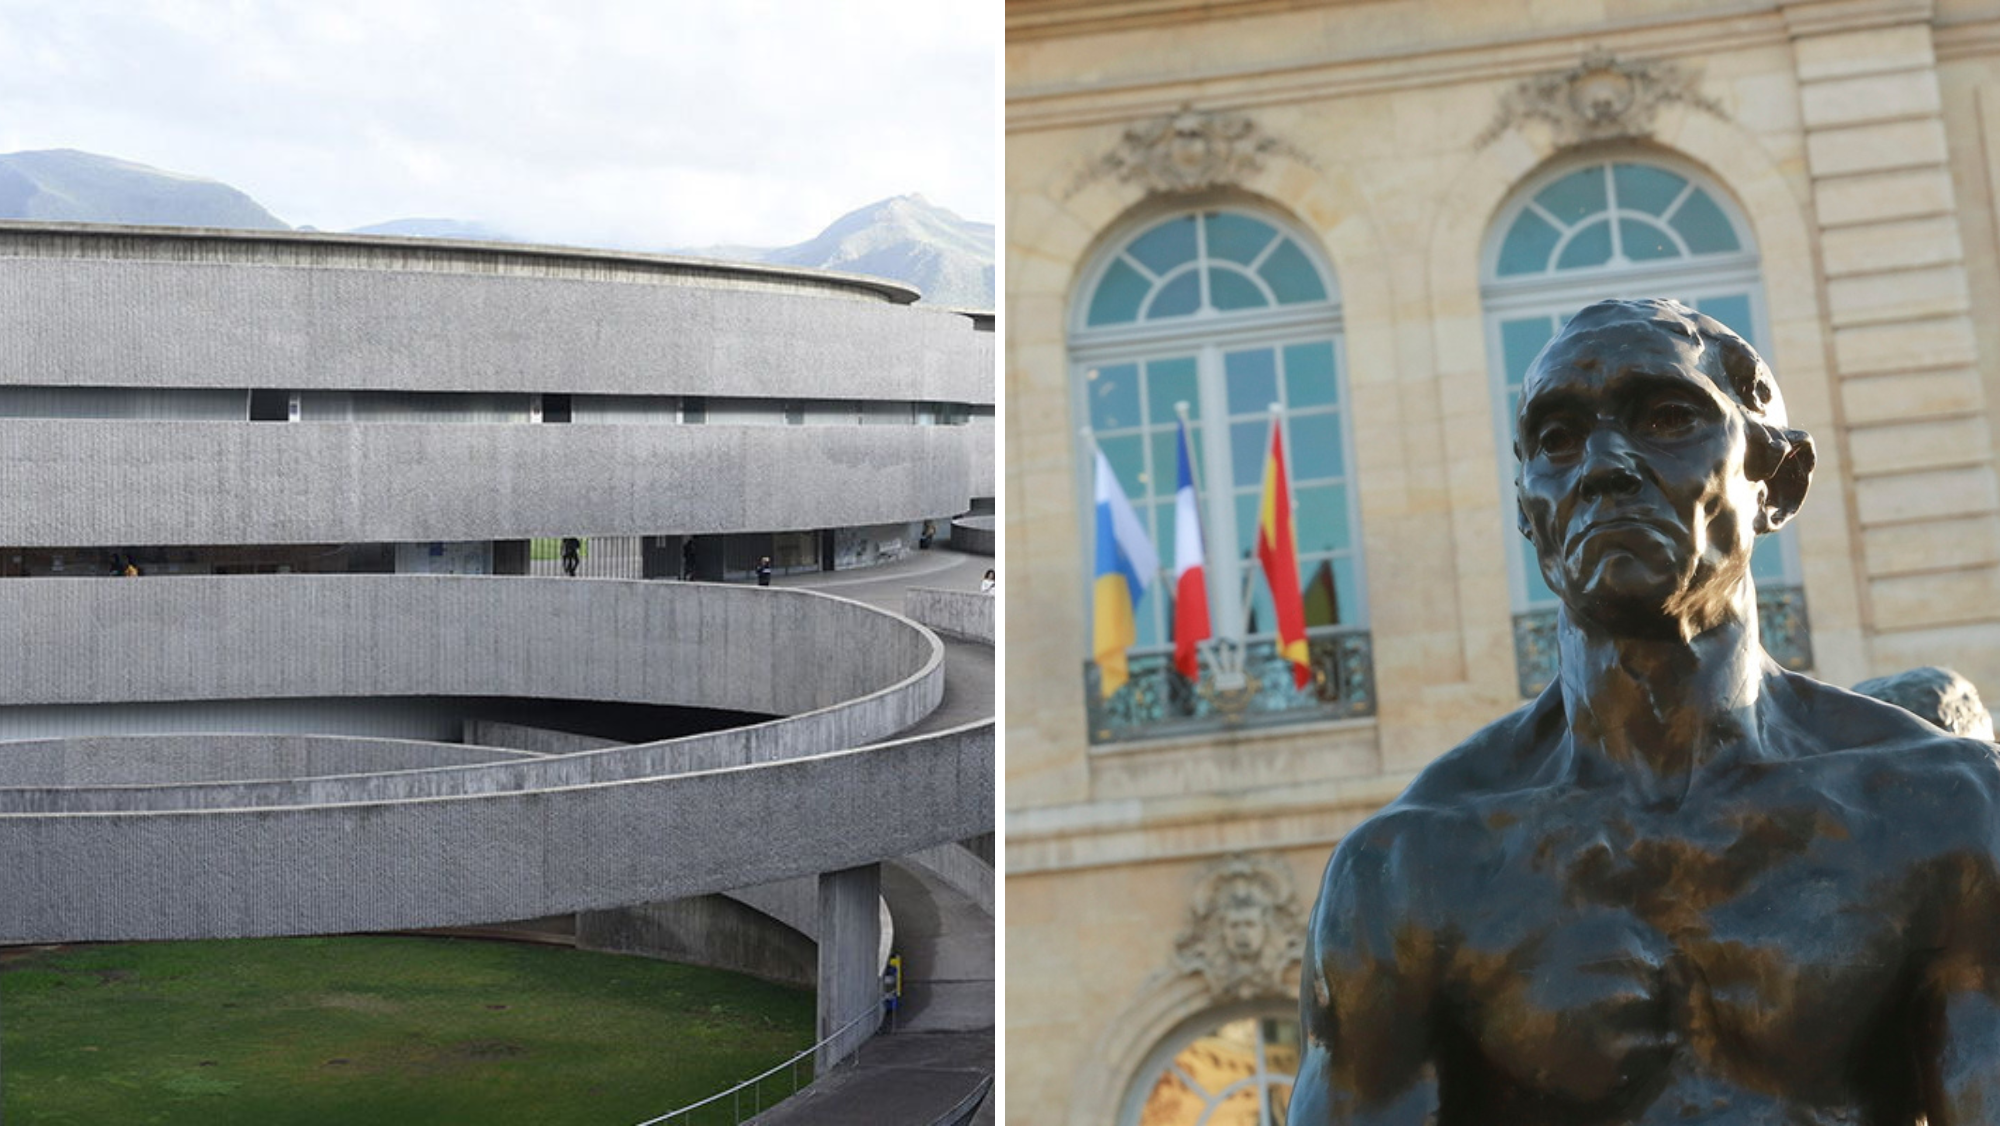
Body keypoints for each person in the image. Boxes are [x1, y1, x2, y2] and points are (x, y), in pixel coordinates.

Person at [1295, 299, 2000, 1125]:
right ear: (1530, 511)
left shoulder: (1942, 809)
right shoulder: (1414, 864)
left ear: (1778, 482)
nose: (1603, 466)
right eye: (1557, 440)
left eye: (1668, 418)